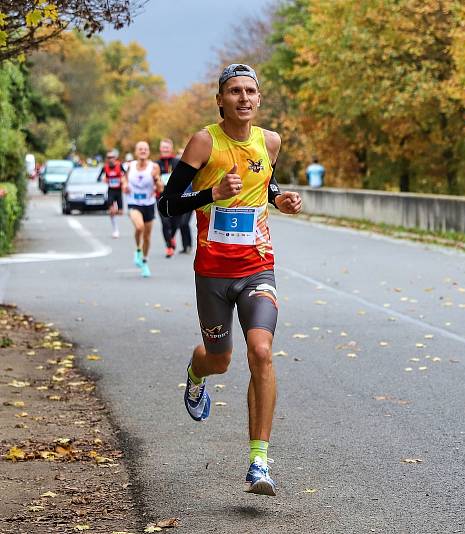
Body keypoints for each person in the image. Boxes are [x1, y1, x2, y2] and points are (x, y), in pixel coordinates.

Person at [157, 63, 302, 496]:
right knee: (219, 359)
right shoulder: (205, 142)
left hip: (257, 265)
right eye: (234, 91)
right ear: (221, 100)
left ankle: (259, 461)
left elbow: (265, 183)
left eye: (250, 91)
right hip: (213, 272)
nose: (243, 98)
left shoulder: (269, 141)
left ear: (259, 99)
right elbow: (167, 205)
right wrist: (210, 194)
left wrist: (281, 198)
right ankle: (196, 372)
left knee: (261, 351)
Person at [122, 141, 163, 278]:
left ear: (149, 152)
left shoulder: (154, 167)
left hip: (149, 204)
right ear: (136, 151)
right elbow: (125, 180)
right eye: (140, 149)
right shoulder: (130, 166)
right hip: (134, 202)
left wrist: (155, 178)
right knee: (139, 227)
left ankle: (144, 261)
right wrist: (125, 186)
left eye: (145, 149)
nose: (143, 151)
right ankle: (138, 251)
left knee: (147, 236)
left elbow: (161, 188)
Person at [156, 138, 192, 256]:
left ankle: (173, 239)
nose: (165, 149)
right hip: (161, 197)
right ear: (160, 149)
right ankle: (169, 246)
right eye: (163, 147)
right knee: (165, 223)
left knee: (176, 223)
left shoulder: (178, 162)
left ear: (171, 148)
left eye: (167, 147)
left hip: (176, 197)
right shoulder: (156, 164)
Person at [99, 149, 126, 238]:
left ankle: (115, 212)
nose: (110, 159)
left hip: (118, 191)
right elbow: (98, 178)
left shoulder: (120, 165)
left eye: (112, 157)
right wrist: (103, 179)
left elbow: (126, 175)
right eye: (108, 157)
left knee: (121, 212)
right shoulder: (105, 167)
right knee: (111, 211)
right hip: (111, 191)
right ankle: (115, 230)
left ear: (115, 158)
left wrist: (123, 179)